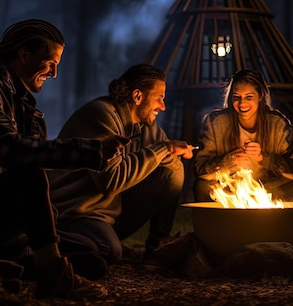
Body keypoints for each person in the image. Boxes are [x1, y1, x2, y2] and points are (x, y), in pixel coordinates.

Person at [0, 19, 130, 300]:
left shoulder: (23, 106)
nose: (54, 73)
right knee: (26, 173)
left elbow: (32, 164)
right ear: (23, 55)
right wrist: (91, 151)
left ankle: (9, 263)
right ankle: (51, 272)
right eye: (50, 62)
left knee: (94, 255)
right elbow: (12, 150)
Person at [48, 63, 194, 277]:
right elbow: (110, 182)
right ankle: (44, 248)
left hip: (109, 213)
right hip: (75, 213)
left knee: (172, 167)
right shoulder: (100, 116)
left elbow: (164, 155)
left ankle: (157, 249)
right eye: (159, 97)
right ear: (137, 96)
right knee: (108, 251)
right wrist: (163, 148)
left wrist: (170, 151)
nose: (163, 106)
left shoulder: (146, 128)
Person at [193, 69, 293, 202]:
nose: (242, 103)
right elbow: (200, 169)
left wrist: (263, 158)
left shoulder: (277, 124)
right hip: (230, 188)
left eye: (249, 97)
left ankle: (276, 220)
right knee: (202, 187)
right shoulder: (215, 122)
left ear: (260, 95)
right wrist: (229, 160)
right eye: (236, 97)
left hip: (268, 188)